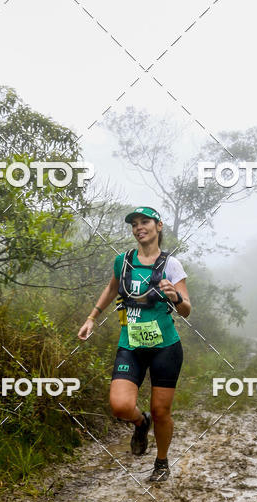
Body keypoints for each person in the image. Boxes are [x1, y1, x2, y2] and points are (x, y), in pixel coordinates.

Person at [78, 206, 191, 482]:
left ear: (159, 226)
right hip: (131, 344)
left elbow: (186, 309)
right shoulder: (124, 260)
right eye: (135, 224)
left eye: (145, 222)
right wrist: (92, 317)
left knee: (161, 410)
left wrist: (174, 295)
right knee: (119, 405)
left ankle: (161, 463)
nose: (139, 227)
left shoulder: (171, 265)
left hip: (165, 346)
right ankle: (141, 424)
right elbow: (111, 288)